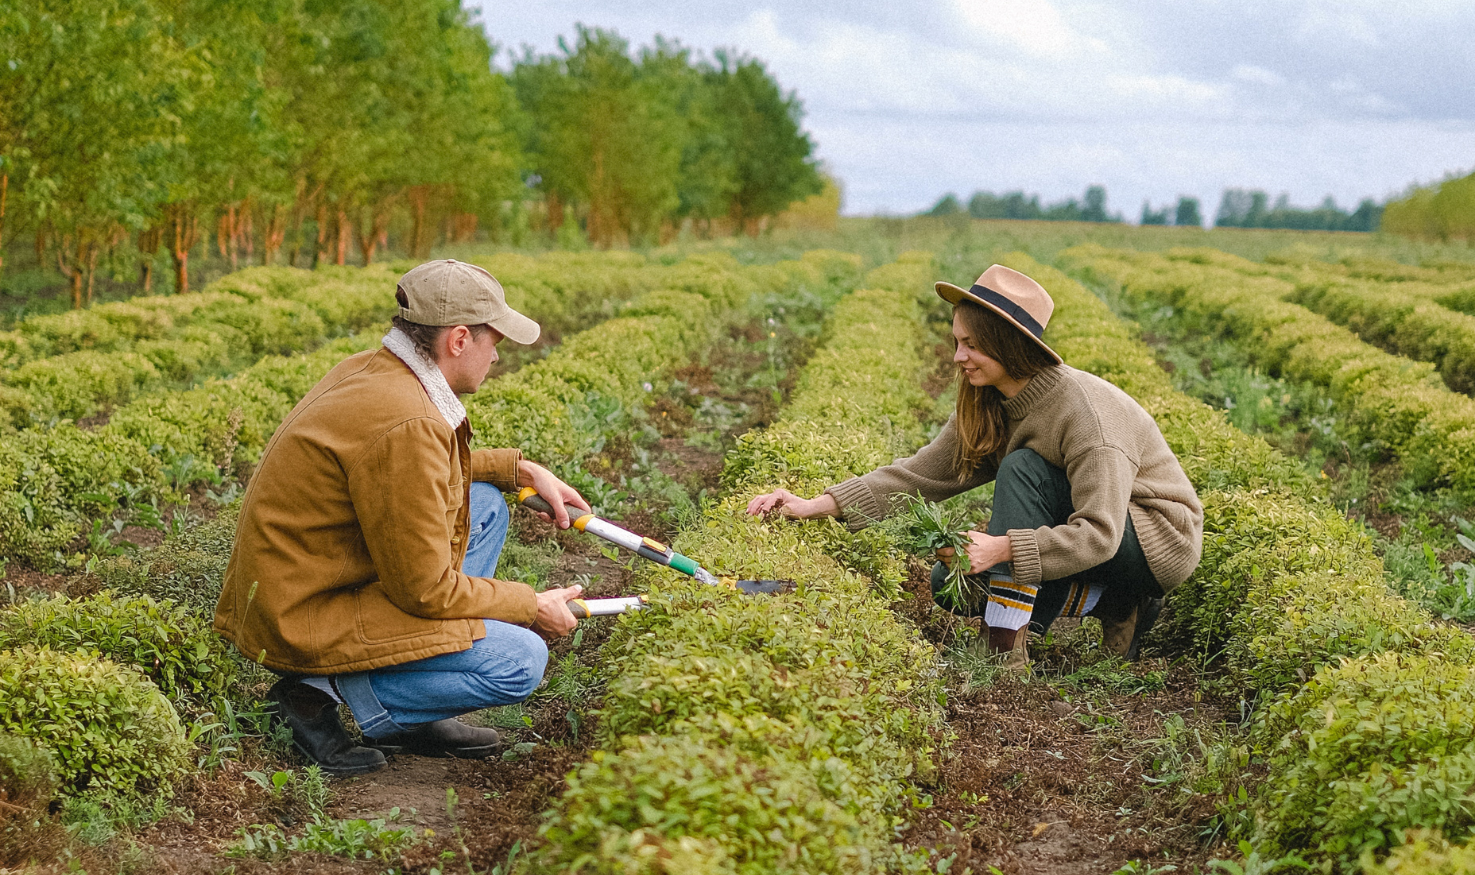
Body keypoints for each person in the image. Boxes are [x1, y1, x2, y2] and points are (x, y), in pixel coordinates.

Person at [214, 259, 590, 775]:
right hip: (304, 614)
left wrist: (518, 468)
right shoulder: (408, 420)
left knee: (481, 504)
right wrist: (528, 604)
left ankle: (410, 703)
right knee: (520, 659)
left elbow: (406, 471)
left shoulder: (376, 371)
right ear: (458, 339)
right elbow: (426, 590)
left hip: (310, 580)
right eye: (494, 340)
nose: (498, 356)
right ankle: (312, 694)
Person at [746, 264, 1203, 669]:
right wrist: (814, 506)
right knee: (950, 583)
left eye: (971, 345)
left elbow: (1100, 533)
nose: (957, 356)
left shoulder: (1086, 417)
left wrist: (1002, 548)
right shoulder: (991, 400)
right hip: (1094, 535)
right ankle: (1116, 604)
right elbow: (921, 474)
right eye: (956, 342)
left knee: (1022, 469)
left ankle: (1003, 651)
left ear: (1009, 346)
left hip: (1151, 538)